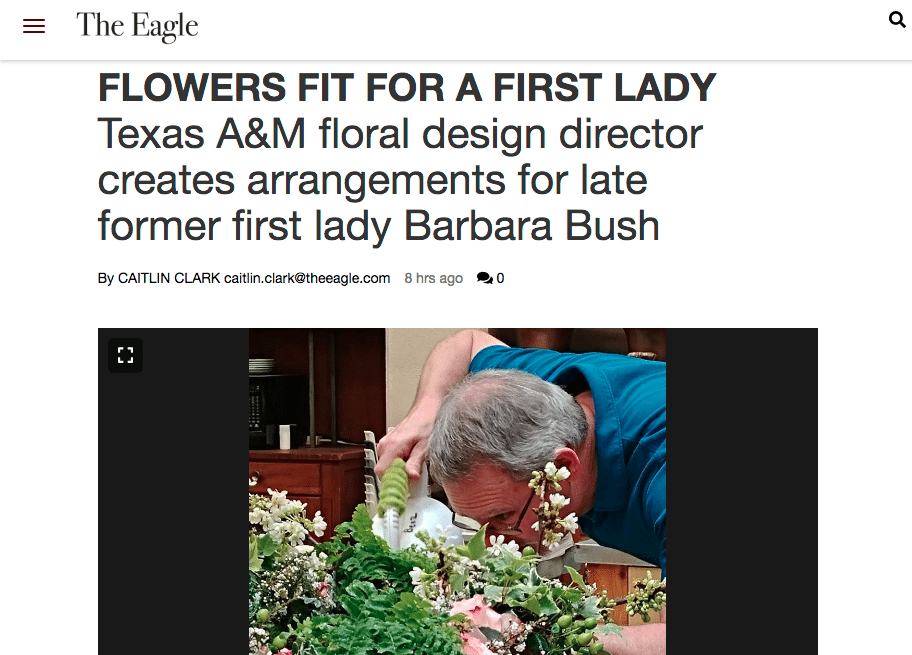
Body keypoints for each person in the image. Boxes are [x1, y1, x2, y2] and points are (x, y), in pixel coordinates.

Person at [375, 329, 666, 655]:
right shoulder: (538, 396)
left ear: (562, 469)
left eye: (502, 516)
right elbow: (468, 343)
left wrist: (538, 636)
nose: (491, 545)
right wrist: (427, 408)